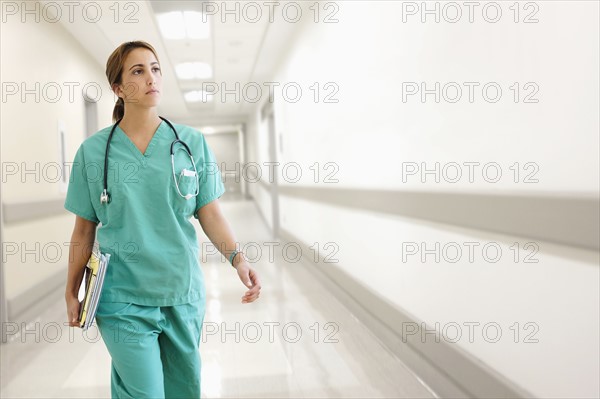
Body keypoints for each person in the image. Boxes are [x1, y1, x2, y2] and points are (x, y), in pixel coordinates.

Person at [64, 40, 261, 398]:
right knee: (145, 393)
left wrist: (239, 259)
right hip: (121, 295)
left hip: (180, 291)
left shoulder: (191, 144)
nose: (151, 77)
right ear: (119, 88)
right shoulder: (92, 153)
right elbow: (83, 229)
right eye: (138, 71)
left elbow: (210, 213)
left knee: (183, 389)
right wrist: (71, 291)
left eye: (155, 68)